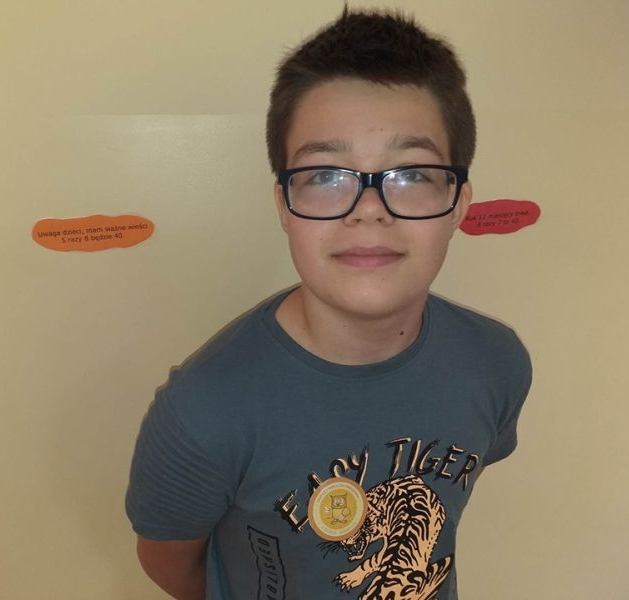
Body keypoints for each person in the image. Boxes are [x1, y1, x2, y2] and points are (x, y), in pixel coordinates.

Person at [125, 8, 532, 600]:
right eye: (324, 176)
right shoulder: (203, 413)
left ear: (458, 202)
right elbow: (173, 568)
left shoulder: (497, 363)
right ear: (284, 206)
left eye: (411, 173)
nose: (369, 209)